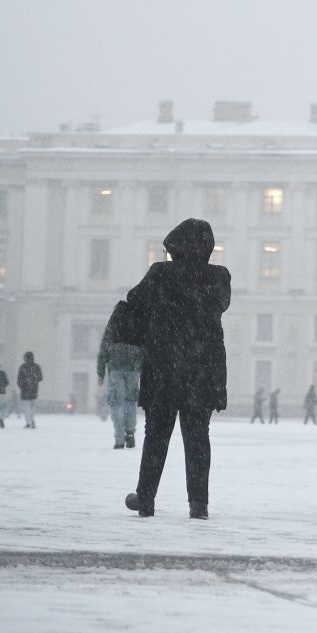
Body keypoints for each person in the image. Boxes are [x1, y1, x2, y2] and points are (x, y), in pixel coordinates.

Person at [124, 218, 230, 519]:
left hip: (164, 370)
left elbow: (135, 301)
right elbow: (220, 305)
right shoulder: (219, 277)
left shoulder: (160, 274)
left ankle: (145, 497)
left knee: (156, 434)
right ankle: (199, 504)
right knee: (198, 438)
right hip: (202, 371)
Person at [97, 300, 145, 449]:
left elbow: (104, 348)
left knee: (117, 403)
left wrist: (101, 372)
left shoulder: (113, 324)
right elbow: (144, 346)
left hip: (115, 369)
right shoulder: (136, 323)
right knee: (130, 402)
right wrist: (140, 365)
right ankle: (130, 431)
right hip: (133, 369)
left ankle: (119, 439)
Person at [16, 352, 43, 428]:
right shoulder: (36, 367)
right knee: (32, 408)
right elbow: (40, 377)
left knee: (26, 408)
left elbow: (19, 379)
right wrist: (33, 381)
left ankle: (28, 422)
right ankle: (32, 420)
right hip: (34, 390)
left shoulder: (23, 367)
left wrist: (22, 386)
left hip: (24, 391)